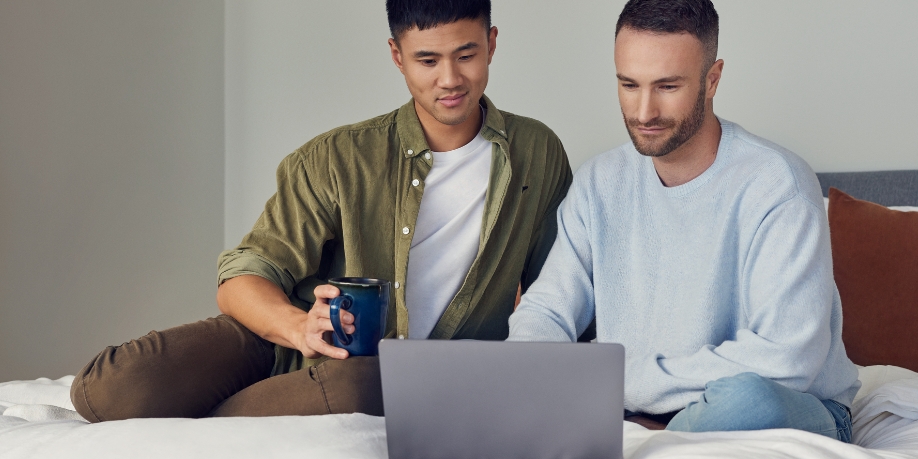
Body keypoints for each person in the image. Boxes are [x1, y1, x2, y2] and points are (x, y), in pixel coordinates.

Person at [70, 0, 572, 422]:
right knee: (113, 389)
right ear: (397, 56)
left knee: (360, 386)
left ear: (492, 43)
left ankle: (207, 422)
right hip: (280, 344)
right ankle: (241, 405)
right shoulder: (337, 157)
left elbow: (560, 290)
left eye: (467, 54)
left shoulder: (536, 152)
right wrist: (297, 327)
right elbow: (243, 275)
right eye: (427, 61)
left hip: (387, 376)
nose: (450, 79)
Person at [508, 0, 860, 441]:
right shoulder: (599, 182)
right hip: (634, 407)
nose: (643, 111)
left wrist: (619, 384)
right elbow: (547, 309)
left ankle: (648, 437)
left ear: (712, 80)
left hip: (790, 407)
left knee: (749, 401)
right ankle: (646, 436)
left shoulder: (778, 184)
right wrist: (524, 372)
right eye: (628, 84)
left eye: (667, 86)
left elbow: (787, 361)